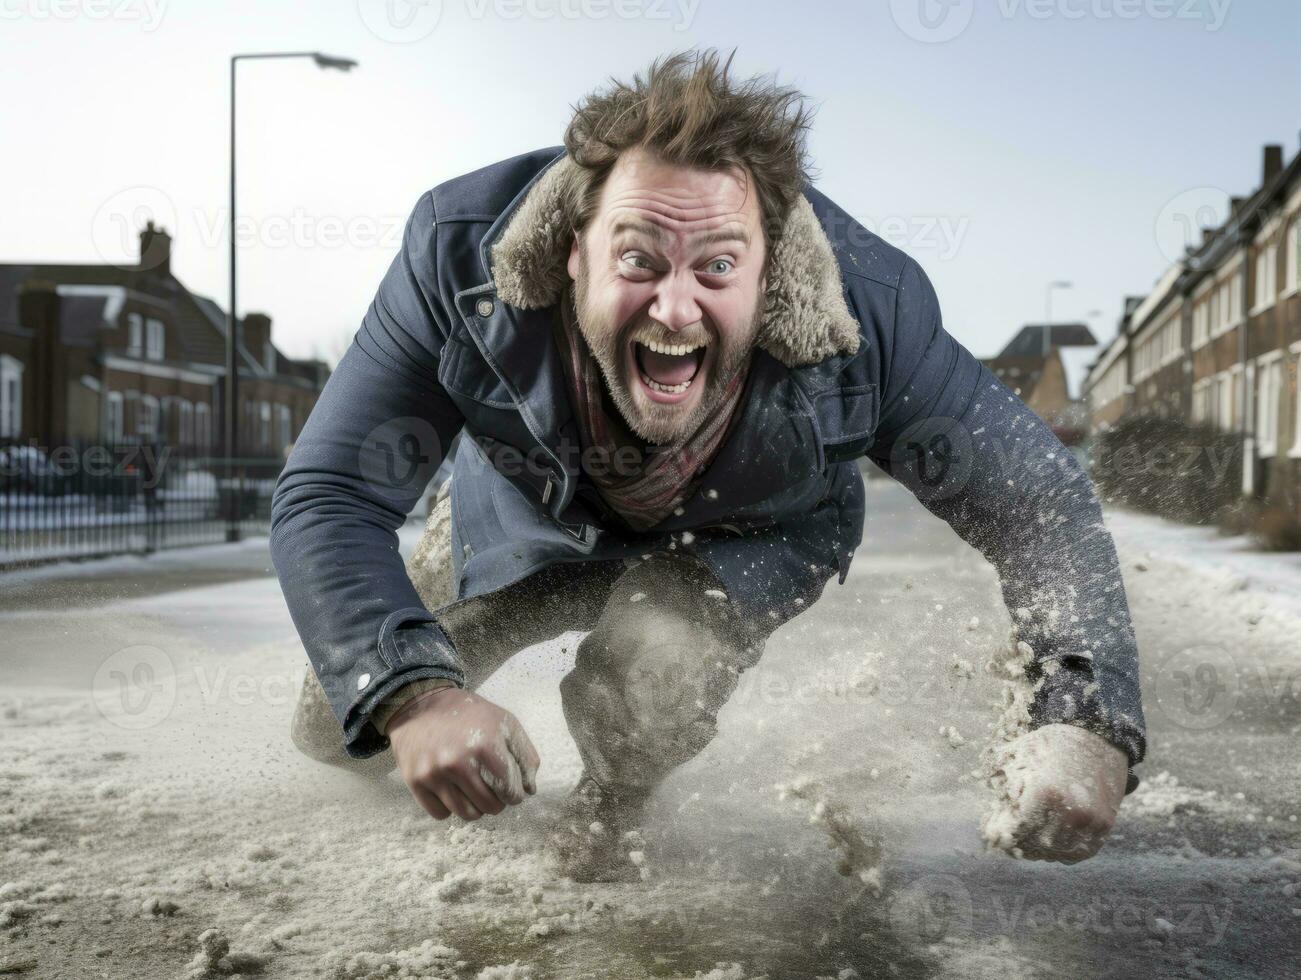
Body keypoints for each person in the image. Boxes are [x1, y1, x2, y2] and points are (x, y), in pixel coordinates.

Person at [270, 48, 1145, 882]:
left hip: (739, 536)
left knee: (656, 662)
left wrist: (1080, 717)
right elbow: (332, 489)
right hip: (519, 516)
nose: (676, 307)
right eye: (637, 258)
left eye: (718, 265)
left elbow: (1035, 503)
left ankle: (611, 811)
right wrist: (413, 696)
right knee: (340, 719)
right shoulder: (456, 254)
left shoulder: (872, 314)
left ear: (772, 270)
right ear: (572, 250)